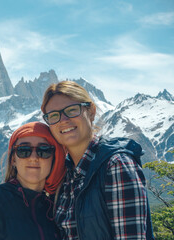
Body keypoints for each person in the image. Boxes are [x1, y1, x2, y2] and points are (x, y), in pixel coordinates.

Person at [41, 80, 154, 240]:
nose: (63, 120)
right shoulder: (65, 175)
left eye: (72, 110)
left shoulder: (116, 165)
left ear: (91, 112)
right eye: (54, 115)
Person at [0, 121, 66, 240]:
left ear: (54, 159)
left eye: (44, 151)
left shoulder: (57, 209)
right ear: (13, 159)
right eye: (24, 150)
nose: (34, 158)